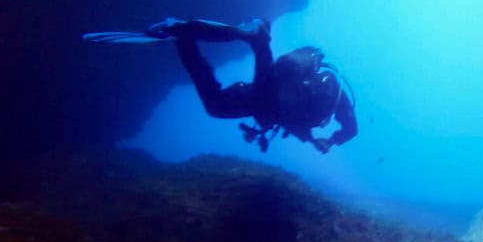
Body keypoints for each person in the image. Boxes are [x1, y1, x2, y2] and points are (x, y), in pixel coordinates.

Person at [141, 17, 357, 153]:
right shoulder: (334, 95)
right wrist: (330, 141)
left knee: (218, 105)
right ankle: (256, 38)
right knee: (216, 106)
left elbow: (349, 129)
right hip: (267, 105)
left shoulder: (326, 89)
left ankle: (187, 39)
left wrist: (319, 139)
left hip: (264, 97)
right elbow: (351, 129)